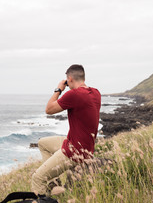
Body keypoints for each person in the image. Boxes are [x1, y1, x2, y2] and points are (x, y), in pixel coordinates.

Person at [31, 64, 101, 195]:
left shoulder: (74, 95)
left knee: (37, 178)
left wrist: (58, 89)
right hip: (84, 147)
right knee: (42, 143)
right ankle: (54, 185)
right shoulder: (96, 93)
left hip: (74, 151)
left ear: (69, 79)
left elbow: (49, 110)